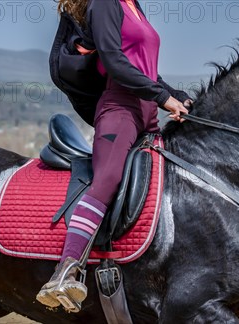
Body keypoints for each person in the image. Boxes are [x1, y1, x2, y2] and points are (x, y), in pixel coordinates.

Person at [36, 0, 192, 311]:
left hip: (147, 112)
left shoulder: (132, 4)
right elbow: (114, 62)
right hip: (120, 109)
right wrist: (164, 98)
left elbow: (144, 68)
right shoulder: (105, 4)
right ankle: (67, 269)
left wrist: (177, 95)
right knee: (107, 177)